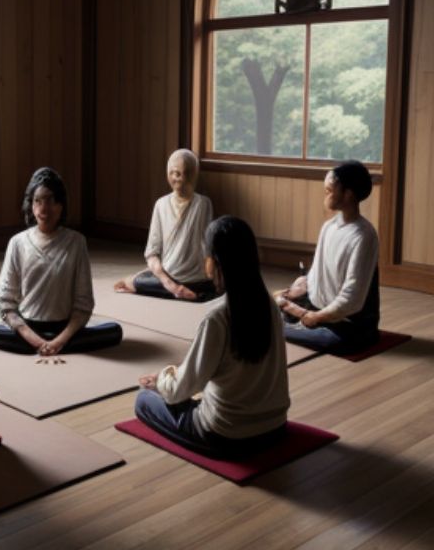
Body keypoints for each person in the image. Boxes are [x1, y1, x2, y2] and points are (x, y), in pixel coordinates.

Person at [135, 216, 289, 458]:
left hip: (229, 435)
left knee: (144, 400)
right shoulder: (269, 304)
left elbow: (182, 389)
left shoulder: (218, 318)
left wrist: (163, 378)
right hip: (275, 427)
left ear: (214, 262)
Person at [0, 167, 123, 355]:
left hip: (65, 329)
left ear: (61, 205)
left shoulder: (76, 242)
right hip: (28, 328)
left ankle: (53, 345)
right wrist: (36, 340)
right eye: (37, 201)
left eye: (51, 201)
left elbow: (84, 304)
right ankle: (46, 346)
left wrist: (59, 340)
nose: (43, 209)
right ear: (31, 205)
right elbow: (5, 303)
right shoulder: (17, 243)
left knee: (113, 331)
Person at [275, 160, 380, 353]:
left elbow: (352, 297)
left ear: (348, 194)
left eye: (329, 191)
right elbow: (317, 271)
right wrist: (304, 283)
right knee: (277, 307)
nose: (325, 195)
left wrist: (316, 317)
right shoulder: (329, 226)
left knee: (331, 341)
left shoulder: (364, 235)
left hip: (349, 320)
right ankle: (297, 321)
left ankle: (290, 326)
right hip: (317, 306)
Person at [114, 149, 215, 301]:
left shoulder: (202, 204)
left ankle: (165, 288)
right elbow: (152, 252)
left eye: (183, 173)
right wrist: (171, 285)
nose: (177, 177)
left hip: (196, 279)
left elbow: (208, 249)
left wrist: (212, 273)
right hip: (168, 276)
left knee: (137, 281)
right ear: (167, 173)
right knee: (141, 277)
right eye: (173, 172)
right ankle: (178, 291)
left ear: (193, 175)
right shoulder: (161, 205)